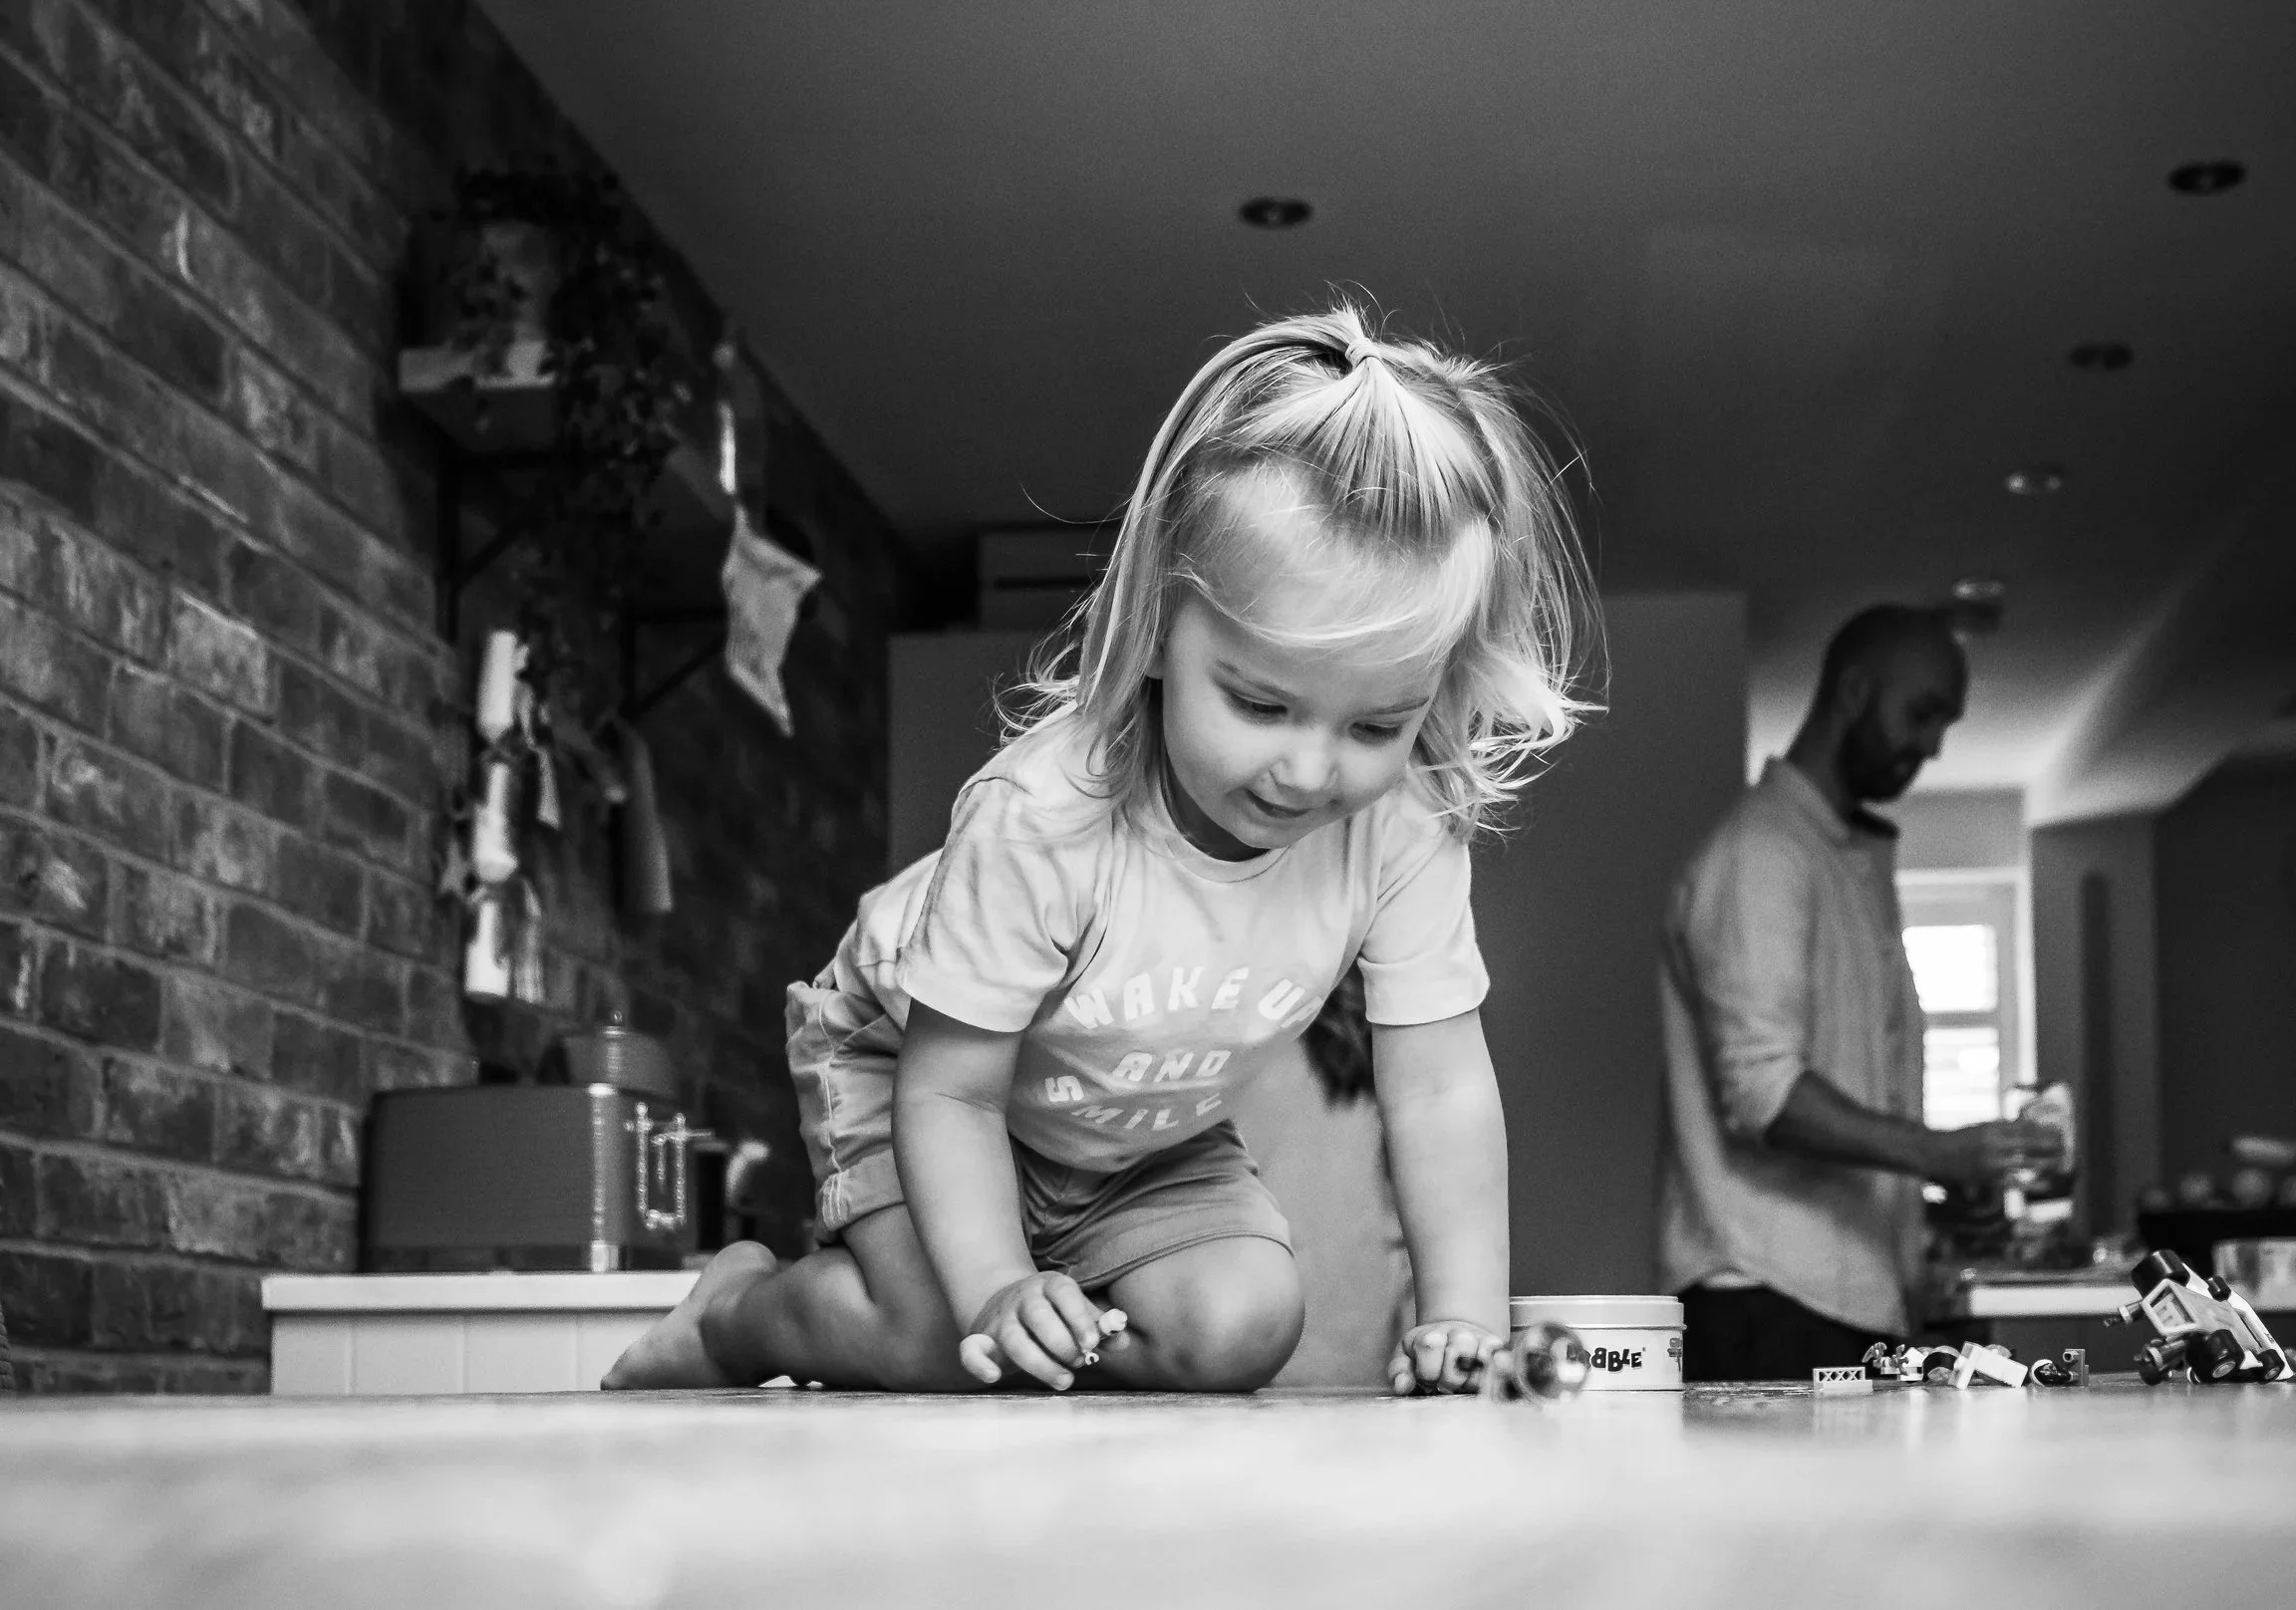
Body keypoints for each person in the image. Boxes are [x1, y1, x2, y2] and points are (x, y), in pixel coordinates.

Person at [606, 306, 1596, 1396]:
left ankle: (1036, 1325)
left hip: (1128, 1136)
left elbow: (1440, 1086)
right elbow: (954, 1093)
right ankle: (734, 1313)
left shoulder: (1400, 828)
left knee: (1241, 1327)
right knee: (951, 1343)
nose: (1311, 771)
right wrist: (996, 1288)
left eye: (1374, 725)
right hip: (916, 1064)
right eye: (1261, 701)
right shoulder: (1046, 813)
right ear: (1161, 621)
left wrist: (1461, 1319)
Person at [1655, 605, 2059, 1382]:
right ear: (1852, 690)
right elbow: (1762, 1092)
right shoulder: (1762, 852)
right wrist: (1940, 1151)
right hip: (1766, 1294)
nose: (1935, 744)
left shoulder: (1840, 857)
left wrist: (1939, 1179)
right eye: (1922, 712)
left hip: (1835, 1294)